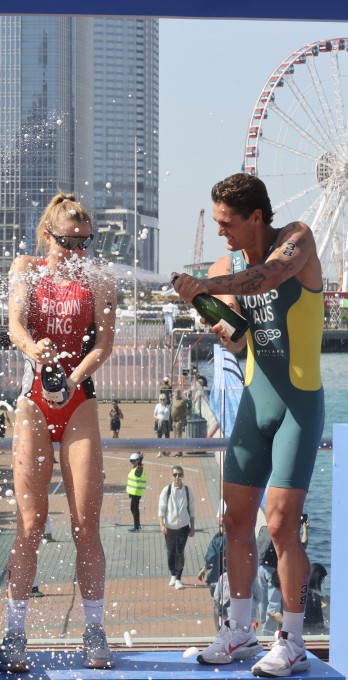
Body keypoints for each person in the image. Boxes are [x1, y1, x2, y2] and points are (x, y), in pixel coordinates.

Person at [173, 173, 324, 676]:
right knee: (234, 522)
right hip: (256, 406)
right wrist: (214, 316)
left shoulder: (296, 240)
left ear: (256, 216)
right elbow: (238, 338)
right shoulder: (227, 263)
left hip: (298, 407)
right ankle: (239, 631)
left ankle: (294, 640)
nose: (221, 233)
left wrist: (208, 285)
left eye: (227, 223)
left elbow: (269, 278)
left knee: (280, 525)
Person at [0, 193, 117, 672]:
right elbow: (14, 324)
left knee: (86, 523)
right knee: (29, 524)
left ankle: (94, 630)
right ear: (47, 236)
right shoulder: (26, 266)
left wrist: (71, 378)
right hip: (33, 398)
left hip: (78, 397)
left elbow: (104, 344)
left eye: (86, 242)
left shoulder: (99, 277)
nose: (79, 253)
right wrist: (36, 349)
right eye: (70, 242)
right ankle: (15, 634)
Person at [158, 465, 195, 589]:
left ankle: (178, 578)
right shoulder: (166, 490)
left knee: (180, 552)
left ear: (183, 476)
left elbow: (192, 509)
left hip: (183, 527)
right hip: (170, 527)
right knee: (170, 552)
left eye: (179, 474)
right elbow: (161, 509)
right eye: (175, 475)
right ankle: (173, 574)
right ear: (171, 476)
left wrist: (193, 526)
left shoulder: (188, 491)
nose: (177, 477)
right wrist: (161, 525)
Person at [303, 563, 327, 635]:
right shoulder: (314, 597)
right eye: (322, 580)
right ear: (317, 579)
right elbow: (317, 623)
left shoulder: (301, 591)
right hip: (311, 633)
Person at [126, 452, 146, 532]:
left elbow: (138, 471)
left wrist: (140, 461)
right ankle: (137, 525)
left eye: (134, 461)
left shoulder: (139, 468)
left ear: (137, 461)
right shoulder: (136, 467)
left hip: (136, 492)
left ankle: (136, 527)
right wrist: (139, 459)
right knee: (134, 509)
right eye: (131, 461)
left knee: (134, 509)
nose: (132, 462)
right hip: (134, 492)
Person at [170, 390, 190, 456]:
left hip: (179, 421)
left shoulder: (182, 401)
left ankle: (179, 452)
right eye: (175, 393)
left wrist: (182, 418)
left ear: (179, 394)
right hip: (174, 421)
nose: (175, 394)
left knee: (179, 436)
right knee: (175, 437)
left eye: (177, 393)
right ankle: (177, 451)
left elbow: (186, 411)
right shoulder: (173, 401)